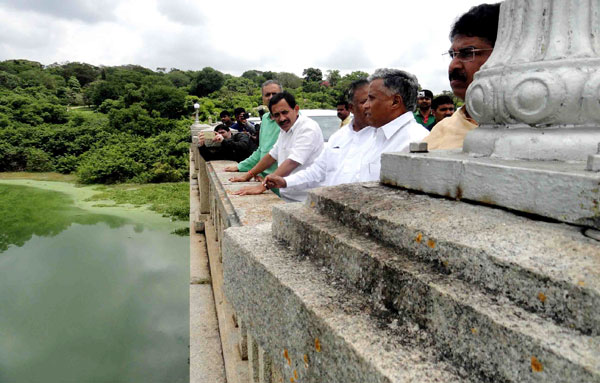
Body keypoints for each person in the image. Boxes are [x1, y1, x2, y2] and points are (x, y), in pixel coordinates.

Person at [264, 79, 373, 190]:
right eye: (364, 101)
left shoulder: (382, 138)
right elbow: (317, 170)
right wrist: (284, 181)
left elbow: (293, 162)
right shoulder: (338, 137)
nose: (369, 105)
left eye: (373, 100)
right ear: (351, 107)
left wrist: (264, 186)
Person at [423, 3, 501, 150]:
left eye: (467, 53)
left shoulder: (539, 128)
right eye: (452, 55)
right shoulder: (443, 130)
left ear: (503, 53)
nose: (453, 65)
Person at [232, 91, 324, 202]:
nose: (281, 118)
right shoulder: (285, 129)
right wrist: (249, 174)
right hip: (288, 195)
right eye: (276, 115)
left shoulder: (308, 128)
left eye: (285, 112)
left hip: (306, 198)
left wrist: (262, 187)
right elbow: (271, 155)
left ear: (296, 109)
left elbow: (292, 162)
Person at [361, 68, 430, 180]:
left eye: (371, 98)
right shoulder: (375, 135)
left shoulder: (415, 142)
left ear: (395, 102)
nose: (365, 105)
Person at [224, 80, 282, 178]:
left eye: (275, 94)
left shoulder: (291, 119)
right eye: (267, 94)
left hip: (281, 179)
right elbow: (261, 150)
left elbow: (277, 154)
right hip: (264, 177)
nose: (271, 97)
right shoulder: (265, 118)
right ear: (263, 99)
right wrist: (241, 166)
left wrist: (250, 173)